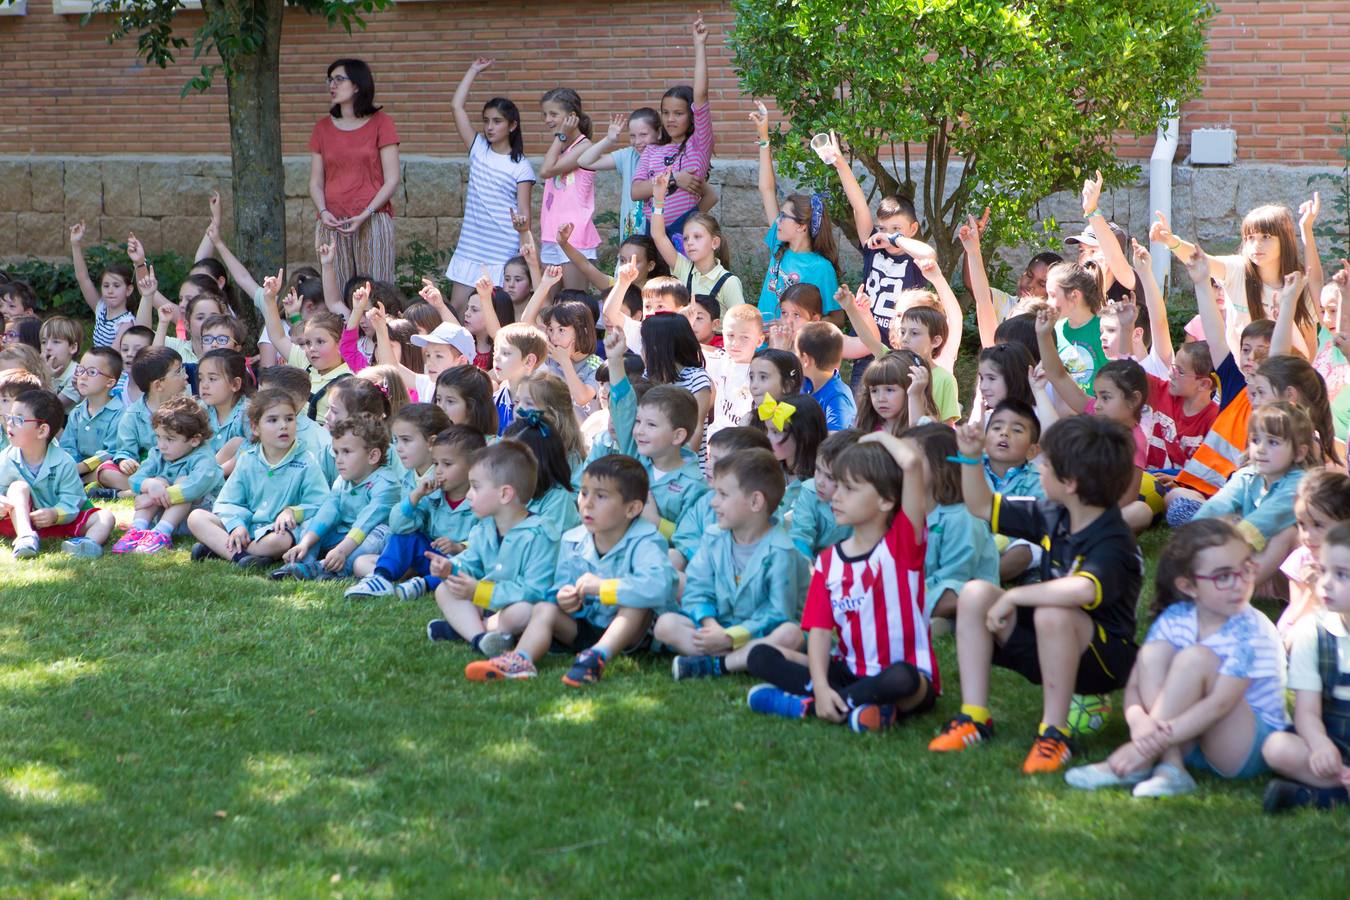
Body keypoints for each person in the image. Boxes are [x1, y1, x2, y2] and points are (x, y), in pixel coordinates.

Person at [931, 415, 1142, 774]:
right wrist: (968, 458)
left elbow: (1083, 588)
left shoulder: (1113, 540)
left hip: (1103, 663)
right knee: (976, 594)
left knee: (1052, 612)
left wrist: (1016, 597)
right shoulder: (1053, 514)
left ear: (1071, 483)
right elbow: (983, 507)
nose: (1038, 466)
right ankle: (974, 718)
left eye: (1046, 464)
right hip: (1048, 646)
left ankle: (1054, 734)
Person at [1066, 519, 1287, 798]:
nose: (1239, 583)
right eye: (1223, 576)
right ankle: (1171, 766)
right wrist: (1138, 722)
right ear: (1189, 586)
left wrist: (1142, 745)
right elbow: (1136, 683)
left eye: (1245, 568)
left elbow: (1220, 704)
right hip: (1188, 737)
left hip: (1244, 746)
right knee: (1153, 653)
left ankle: (1141, 761)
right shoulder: (1176, 617)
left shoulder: (1252, 629)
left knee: (1195, 659)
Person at [745, 433, 937, 733]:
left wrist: (877, 437)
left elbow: (911, 464)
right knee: (759, 655)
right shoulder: (828, 562)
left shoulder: (901, 546)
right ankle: (851, 705)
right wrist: (821, 686)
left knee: (904, 679)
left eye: (850, 488)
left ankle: (804, 705)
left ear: (886, 500)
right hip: (847, 671)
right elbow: (820, 633)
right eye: (837, 486)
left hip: (903, 678)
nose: (836, 496)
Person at [465, 455, 676, 684]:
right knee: (546, 607)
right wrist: (564, 597)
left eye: (601, 496)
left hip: (632, 636)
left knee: (636, 605)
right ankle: (521, 659)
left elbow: (659, 587)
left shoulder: (647, 540)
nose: (588, 503)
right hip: (585, 626)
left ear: (632, 508)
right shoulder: (572, 540)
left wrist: (603, 588)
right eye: (584, 493)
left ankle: (596, 657)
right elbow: (559, 586)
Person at [656, 448, 808, 679]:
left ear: (755, 501)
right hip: (719, 626)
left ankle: (718, 664)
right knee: (666, 625)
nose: (714, 503)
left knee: (790, 634)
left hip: (760, 634)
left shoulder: (781, 551)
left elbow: (777, 613)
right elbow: (697, 589)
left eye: (723, 495)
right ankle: (737, 660)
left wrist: (732, 636)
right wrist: (711, 625)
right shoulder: (713, 536)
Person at [424, 440, 561, 652]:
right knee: (444, 590)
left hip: (516, 608)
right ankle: (479, 638)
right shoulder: (483, 529)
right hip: (487, 605)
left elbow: (536, 590)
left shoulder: (540, 533)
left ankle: (465, 630)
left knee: (524, 611)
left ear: (505, 494)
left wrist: (481, 591)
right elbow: (472, 563)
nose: (468, 494)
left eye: (476, 487)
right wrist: (451, 568)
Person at [822, 131, 933, 385]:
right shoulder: (873, 247)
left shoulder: (916, 258)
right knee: (863, 413)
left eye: (897, 229)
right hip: (868, 347)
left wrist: (894, 239)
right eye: (884, 228)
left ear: (913, 230)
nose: (887, 236)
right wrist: (840, 163)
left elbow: (929, 254)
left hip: (904, 350)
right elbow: (859, 206)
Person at [187, 389, 331, 568]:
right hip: (246, 526)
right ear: (255, 428)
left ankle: (223, 549)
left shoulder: (307, 461)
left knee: (281, 541)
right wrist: (236, 526)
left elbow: (321, 503)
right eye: (273, 420)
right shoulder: (247, 459)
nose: (283, 425)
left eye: (289, 418)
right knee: (196, 517)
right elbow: (227, 502)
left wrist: (292, 511)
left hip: (278, 531)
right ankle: (241, 557)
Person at [1262, 520, 1350, 813]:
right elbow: (1307, 712)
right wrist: (1321, 745)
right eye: (1323, 570)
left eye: (1341, 575)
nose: (1325, 583)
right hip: (1331, 744)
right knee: (1276, 747)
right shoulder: (1312, 632)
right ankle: (1338, 785)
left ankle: (1320, 797)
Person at [348, 423, 482, 601]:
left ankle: (423, 584)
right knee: (405, 536)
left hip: (460, 562)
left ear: (473, 466)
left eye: (447, 464)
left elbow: (484, 544)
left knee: (469, 569)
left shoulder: (481, 500)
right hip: (429, 558)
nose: (439, 471)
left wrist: (459, 547)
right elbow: (397, 527)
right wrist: (416, 496)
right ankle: (381, 577)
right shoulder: (433, 493)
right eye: (435, 463)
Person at [604, 329, 708, 548]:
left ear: (678, 435)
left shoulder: (695, 485)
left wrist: (656, 522)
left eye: (651, 425)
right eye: (639, 421)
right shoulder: (635, 455)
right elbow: (623, 404)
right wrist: (614, 361)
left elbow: (696, 543)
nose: (639, 430)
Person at [446, 57, 535, 310]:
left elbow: (524, 215)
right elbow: (456, 106)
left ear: (512, 125)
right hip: (471, 247)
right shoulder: (478, 149)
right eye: (486, 121)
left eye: (497, 121)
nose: (489, 127)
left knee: (495, 314)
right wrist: (473, 70)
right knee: (458, 311)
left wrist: (523, 239)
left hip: (502, 251)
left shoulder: (521, 166)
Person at [1193, 401, 1314, 581]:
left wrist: (1225, 545)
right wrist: (1189, 537)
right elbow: (1217, 505)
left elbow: (1267, 519)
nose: (1261, 449)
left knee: (1286, 533)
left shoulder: (1299, 483)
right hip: (1252, 553)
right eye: (1256, 440)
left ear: (1299, 453)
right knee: (1227, 518)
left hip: (1293, 571)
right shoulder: (1247, 475)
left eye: (1273, 442)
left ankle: (1238, 587)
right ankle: (1218, 576)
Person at [273, 415, 400, 581]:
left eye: (346, 452)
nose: (338, 460)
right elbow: (329, 511)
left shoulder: (386, 484)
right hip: (345, 536)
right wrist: (305, 543)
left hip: (370, 539)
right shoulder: (344, 480)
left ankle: (331, 568)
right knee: (311, 523)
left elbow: (366, 522)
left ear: (373, 456)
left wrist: (342, 550)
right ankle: (303, 560)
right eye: (336, 452)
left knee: (381, 533)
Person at [308, 58, 401, 286]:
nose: (332, 85)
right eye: (330, 80)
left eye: (339, 79)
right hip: (332, 223)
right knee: (337, 293)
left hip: (372, 220)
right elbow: (315, 183)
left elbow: (392, 179)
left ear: (358, 85)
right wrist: (323, 210)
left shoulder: (382, 123)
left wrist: (366, 213)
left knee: (376, 292)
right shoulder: (322, 127)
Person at [749, 104, 841, 323]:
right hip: (764, 346)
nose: (778, 221)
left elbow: (837, 318)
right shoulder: (778, 246)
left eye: (784, 216)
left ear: (802, 225)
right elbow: (767, 189)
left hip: (794, 353)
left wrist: (800, 327)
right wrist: (764, 139)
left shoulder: (821, 268)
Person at [0, 389, 116, 560]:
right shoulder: (6, 458)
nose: (9, 423)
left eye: (18, 419)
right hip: (20, 520)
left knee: (105, 517)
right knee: (18, 487)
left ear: (42, 431)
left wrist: (55, 514)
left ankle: (86, 544)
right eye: (9, 417)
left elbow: (73, 499)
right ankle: (25, 538)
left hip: (60, 522)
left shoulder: (64, 462)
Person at [631, 16, 714, 246]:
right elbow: (636, 191)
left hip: (684, 230)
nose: (670, 119)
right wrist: (674, 179)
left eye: (678, 113)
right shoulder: (652, 150)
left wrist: (699, 45)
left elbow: (701, 96)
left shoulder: (699, 144)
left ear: (691, 115)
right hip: (651, 228)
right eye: (665, 113)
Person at [905, 423, 999, 623]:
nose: (902, 465)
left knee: (953, 591)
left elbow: (956, 576)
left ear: (940, 464)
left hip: (958, 593)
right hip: (920, 589)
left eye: (910, 459)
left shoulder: (963, 517)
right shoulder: (906, 511)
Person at [111, 398, 224, 555]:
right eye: (158, 437)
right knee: (157, 481)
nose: (161, 444)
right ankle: (138, 530)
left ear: (194, 440)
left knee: (182, 482)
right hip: (165, 512)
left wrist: (152, 497)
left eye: (170, 439)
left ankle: (161, 534)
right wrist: (149, 485)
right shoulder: (158, 453)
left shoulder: (205, 459)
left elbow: (194, 488)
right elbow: (135, 479)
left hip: (196, 518)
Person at [650, 178, 745, 316]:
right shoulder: (684, 269)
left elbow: (741, 322)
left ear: (715, 243)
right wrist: (658, 198)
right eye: (686, 238)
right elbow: (658, 235)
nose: (689, 242)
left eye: (697, 237)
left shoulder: (729, 282)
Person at [536, 88, 599, 291]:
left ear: (572, 117)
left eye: (553, 114)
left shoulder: (584, 146)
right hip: (551, 235)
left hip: (575, 237)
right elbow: (545, 169)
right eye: (545, 114)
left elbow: (546, 171)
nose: (547, 119)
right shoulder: (560, 149)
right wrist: (561, 140)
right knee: (549, 304)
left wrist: (561, 136)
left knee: (574, 303)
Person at [102, 347, 188, 495]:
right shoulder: (132, 415)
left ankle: (127, 493)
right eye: (178, 372)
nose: (186, 376)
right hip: (147, 472)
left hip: (182, 469)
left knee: (183, 478)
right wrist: (125, 461)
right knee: (105, 471)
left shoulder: (190, 409)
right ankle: (149, 488)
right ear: (158, 385)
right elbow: (125, 451)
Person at [1278, 470, 1350, 641]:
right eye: (1302, 525)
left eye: (1318, 525)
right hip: (1305, 632)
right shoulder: (1302, 559)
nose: (1307, 535)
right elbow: (1297, 613)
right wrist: (1312, 592)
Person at [59, 348, 124, 488]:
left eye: (92, 372)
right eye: (81, 370)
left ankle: (84, 482)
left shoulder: (120, 413)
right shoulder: (76, 413)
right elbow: (68, 447)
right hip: (78, 468)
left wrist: (81, 468)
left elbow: (111, 452)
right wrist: (71, 467)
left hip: (105, 468)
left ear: (110, 383)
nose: (83, 377)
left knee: (107, 469)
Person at [789, 429, 859, 559]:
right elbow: (800, 536)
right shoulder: (810, 491)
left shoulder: (862, 503)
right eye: (818, 469)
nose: (820, 482)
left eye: (830, 477)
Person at [69, 222, 137, 348]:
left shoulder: (126, 322)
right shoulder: (101, 309)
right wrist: (75, 244)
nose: (110, 290)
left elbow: (113, 356)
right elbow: (83, 278)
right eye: (106, 286)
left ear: (128, 290)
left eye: (116, 286)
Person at [197, 349, 253, 477]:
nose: (204, 385)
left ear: (235, 384)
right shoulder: (199, 410)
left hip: (235, 481)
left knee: (238, 442)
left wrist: (216, 473)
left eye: (212, 379)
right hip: (198, 473)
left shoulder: (249, 413)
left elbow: (253, 453)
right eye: (201, 379)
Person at [795, 322, 856, 431]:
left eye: (796, 353)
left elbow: (835, 439)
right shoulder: (806, 383)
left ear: (805, 360)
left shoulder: (838, 397)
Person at [491, 322, 549, 435]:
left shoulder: (543, 405)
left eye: (506, 353)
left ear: (529, 361)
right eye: (495, 351)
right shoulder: (491, 404)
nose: (496, 357)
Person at [39, 316, 81, 410]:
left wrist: (46, 378)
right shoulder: (41, 369)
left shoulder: (76, 376)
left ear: (73, 348)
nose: (48, 347)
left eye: (56, 342)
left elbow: (52, 409)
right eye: (44, 342)